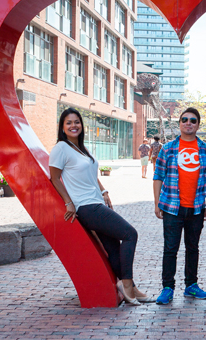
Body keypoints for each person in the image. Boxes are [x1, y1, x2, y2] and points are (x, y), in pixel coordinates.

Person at [49, 108, 152, 305]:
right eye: (69, 123)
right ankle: (128, 284)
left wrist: (104, 191)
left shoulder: (80, 148)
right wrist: (68, 202)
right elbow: (54, 178)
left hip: (95, 201)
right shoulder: (61, 148)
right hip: (85, 206)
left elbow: (91, 175)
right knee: (130, 234)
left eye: (77, 122)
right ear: (62, 127)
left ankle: (127, 284)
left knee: (113, 246)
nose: (73, 126)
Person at [152, 108, 206, 305]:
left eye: (193, 120)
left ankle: (191, 285)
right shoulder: (168, 148)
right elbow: (158, 176)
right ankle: (167, 288)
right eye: (185, 120)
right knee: (170, 249)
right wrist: (156, 203)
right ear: (180, 123)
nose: (189, 123)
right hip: (171, 206)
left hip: (196, 207)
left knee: (193, 248)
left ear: (198, 125)